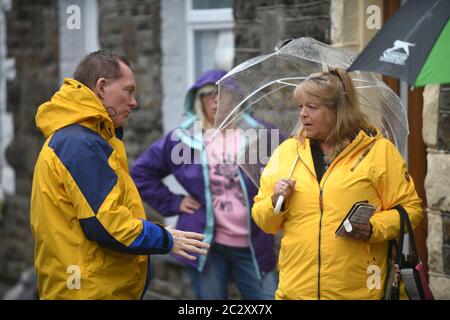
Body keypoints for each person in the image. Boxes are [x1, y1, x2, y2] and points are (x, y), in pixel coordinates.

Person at [30, 50, 209, 300]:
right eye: (128, 90)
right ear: (102, 87)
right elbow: (107, 224)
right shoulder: (78, 143)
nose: (134, 102)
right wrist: (164, 238)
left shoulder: (85, 138)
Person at [251, 68, 423, 300]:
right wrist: (275, 202)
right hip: (295, 293)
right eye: (300, 106)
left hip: (358, 293)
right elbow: (265, 222)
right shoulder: (287, 152)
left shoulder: (378, 151)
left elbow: (411, 210)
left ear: (338, 110)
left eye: (312, 107)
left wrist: (374, 227)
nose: (302, 114)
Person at [131, 69, 278, 300]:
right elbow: (141, 173)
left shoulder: (261, 133)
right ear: (199, 101)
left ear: (237, 98)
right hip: (205, 245)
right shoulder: (183, 138)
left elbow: (291, 166)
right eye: (209, 94)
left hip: (255, 243)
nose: (217, 100)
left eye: (224, 93)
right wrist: (174, 202)